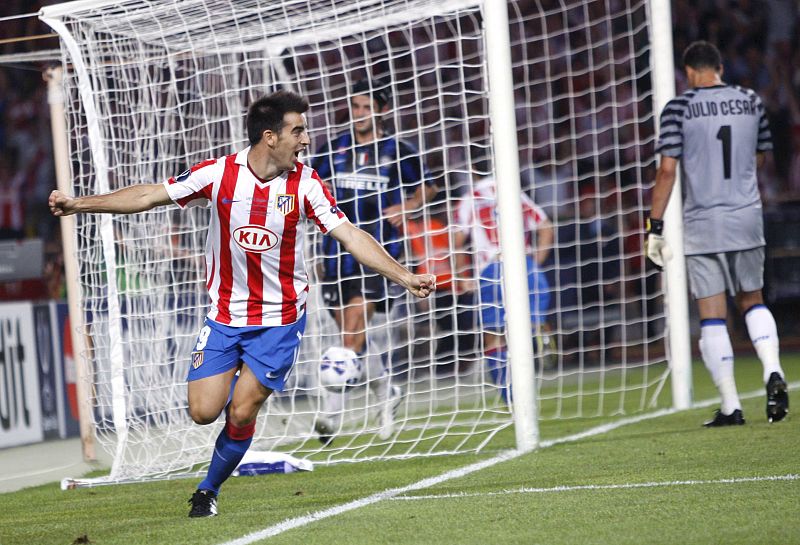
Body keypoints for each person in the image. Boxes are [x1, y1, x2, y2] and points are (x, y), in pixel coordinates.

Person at [48, 90, 436, 517]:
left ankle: (207, 490)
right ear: (270, 137)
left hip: (280, 320)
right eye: (298, 131)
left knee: (243, 407)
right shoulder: (218, 175)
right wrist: (78, 204)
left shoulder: (305, 183)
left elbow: (349, 234)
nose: (305, 140)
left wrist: (404, 275)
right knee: (202, 411)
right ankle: (235, 395)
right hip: (225, 316)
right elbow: (147, 197)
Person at [646, 41, 789, 427]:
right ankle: (772, 369)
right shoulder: (750, 100)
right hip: (746, 216)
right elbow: (761, 157)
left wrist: (654, 226)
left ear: (689, 72)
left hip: (703, 221)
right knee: (753, 300)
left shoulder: (678, 108)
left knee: (712, 313)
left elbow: (667, 171)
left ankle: (730, 405)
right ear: (720, 67)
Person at [310, 79, 438, 442]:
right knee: (352, 336)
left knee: (352, 329)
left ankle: (330, 414)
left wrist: (409, 207)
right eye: (354, 107)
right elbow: (311, 182)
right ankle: (386, 390)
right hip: (335, 252)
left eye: (366, 107)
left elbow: (428, 185)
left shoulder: (398, 150)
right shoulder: (334, 148)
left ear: (381, 110)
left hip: (379, 252)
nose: (359, 114)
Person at [454, 163, 554, 404]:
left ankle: (510, 397)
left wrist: (463, 276)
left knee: (493, 336)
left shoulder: (471, 197)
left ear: (473, 171)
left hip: (491, 269)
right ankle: (537, 328)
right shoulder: (515, 193)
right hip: (524, 267)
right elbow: (546, 227)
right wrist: (536, 263)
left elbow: (457, 241)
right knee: (518, 331)